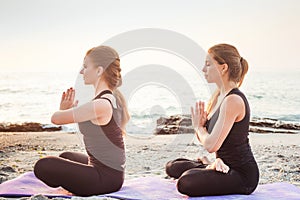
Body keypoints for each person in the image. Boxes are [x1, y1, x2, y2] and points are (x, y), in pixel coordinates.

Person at [34, 45, 130, 196]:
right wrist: (67, 110)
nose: (81, 71)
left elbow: (56, 119)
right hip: (106, 170)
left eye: (85, 66)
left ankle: (77, 185)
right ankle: (76, 182)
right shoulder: (108, 99)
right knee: (66, 157)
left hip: (106, 179)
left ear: (99, 71)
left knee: (44, 165)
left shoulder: (101, 104)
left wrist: (64, 110)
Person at [165, 44, 259, 197]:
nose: (203, 69)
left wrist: (198, 127)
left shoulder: (233, 100)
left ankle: (210, 167)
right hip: (223, 166)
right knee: (172, 167)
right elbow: (207, 138)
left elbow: (211, 145)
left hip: (241, 175)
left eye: (208, 64)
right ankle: (210, 166)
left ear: (223, 68)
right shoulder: (218, 96)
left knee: (185, 182)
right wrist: (201, 126)